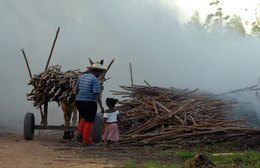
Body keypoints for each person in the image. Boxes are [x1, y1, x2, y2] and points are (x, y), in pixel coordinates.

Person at [75, 60, 106, 146]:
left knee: (84, 117)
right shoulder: (95, 81)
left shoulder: (81, 77)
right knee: (90, 120)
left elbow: (76, 89)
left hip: (78, 101)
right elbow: (96, 94)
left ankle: (79, 133)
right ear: (97, 71)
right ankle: (86, 140)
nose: (100, 74)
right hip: (89, 102)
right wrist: (101, 106)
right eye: (100, 72)